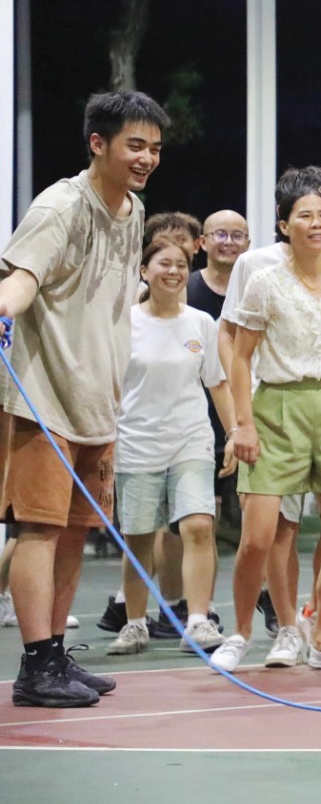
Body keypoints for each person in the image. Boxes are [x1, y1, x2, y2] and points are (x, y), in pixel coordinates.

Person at [0, 90, 168, 707]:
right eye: (135, 145)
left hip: (98, 403)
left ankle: (55, 657)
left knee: (74, 533)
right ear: (98, 144)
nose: (146, 158)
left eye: (155, 148)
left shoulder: (134, 209)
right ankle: (35, 667)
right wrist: (4, 307)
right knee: (39, 531)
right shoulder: (60, 206)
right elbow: (22, 276)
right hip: (44, 397)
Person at [210, 168, 321, 673]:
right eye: (305, 215)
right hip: (276, 407)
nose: (317, 223)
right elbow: (240, 357)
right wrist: (242, 424)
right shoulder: (264, 280)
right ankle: (239, 633)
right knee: (259, 538)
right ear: (284, 224)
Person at [105, 241, 234, 657]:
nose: (174, 271)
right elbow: (108, 385)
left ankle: (197, 621)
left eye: (181, 264)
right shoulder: (123, 323)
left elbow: (217, 383)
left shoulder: (200, 323)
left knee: (198, 526)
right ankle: (135, 624)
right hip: (136, 442)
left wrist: (235, 432)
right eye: (164, 263)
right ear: (144, 271)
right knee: (139, 538)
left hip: (191, 440)